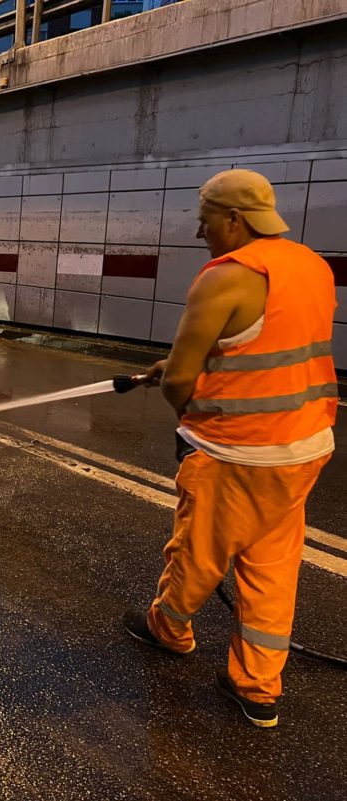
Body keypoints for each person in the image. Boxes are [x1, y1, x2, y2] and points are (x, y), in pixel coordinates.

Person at [122, 169, 337, 729]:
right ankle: (258, 686)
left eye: (205, 222)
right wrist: (193, 365)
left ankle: (169, 630)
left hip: (238, 451)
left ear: (234, 220)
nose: (201, 235)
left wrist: (186, 411)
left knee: (199, 552)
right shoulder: (309, 265)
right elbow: (265, 341)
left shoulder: (225, 278)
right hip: (304, 445)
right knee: (271, 565)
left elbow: (179, 384)